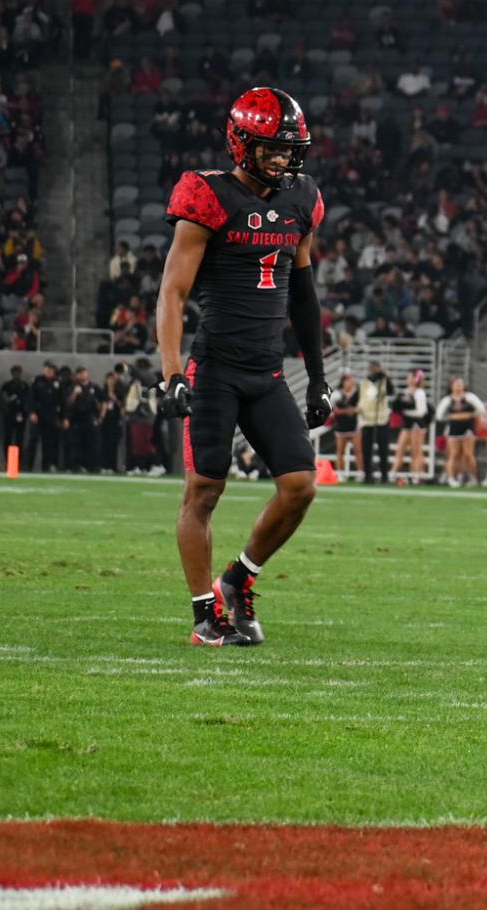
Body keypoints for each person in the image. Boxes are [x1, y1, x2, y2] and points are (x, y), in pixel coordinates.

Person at [159, 86, 330, 647]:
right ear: (241, 143)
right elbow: (172, 292)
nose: (284, 159)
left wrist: (319, 380)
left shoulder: (301, 199)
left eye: (290, 149)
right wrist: (170, 373)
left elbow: (304, 297)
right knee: (204, 491)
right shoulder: (207, 195)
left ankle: (238, 578)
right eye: (272, 149)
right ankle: (205, 615)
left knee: (301, 486)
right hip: (215, 368)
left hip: (267, 370)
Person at [437, 375, 485, 487]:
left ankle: (473, 478)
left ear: (464, 386)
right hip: (454, 428)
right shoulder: (448, 399)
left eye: (460, 384)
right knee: (453, 454)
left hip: (468, 428)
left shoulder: (469, 397)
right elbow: (439, 415)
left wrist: (470, 415)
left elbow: (481, 409)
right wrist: (452, 417)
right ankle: (451, 478)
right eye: (456, 384)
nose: (458, 387)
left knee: (468, 454)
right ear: (451, 386)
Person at [391, 369, 432, 483]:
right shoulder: (406, 391)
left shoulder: (419, 392)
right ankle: (392, 473)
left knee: (416, 451)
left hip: (417, 424)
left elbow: (421, 411)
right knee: (400, 449)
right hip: (407, 424)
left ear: (415, 379)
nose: (407, 379)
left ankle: (416, 475)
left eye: (409, 377)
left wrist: (404, 412)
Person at [357, 363, 392, 485]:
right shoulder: (364, 383)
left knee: (383, 451)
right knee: (367, 451)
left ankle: (384, 476)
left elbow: (391, 391)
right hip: (367, 422)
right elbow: (357, 399)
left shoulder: (384, 381)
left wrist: (386, 377)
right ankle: (368, 476)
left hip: (381, 420)